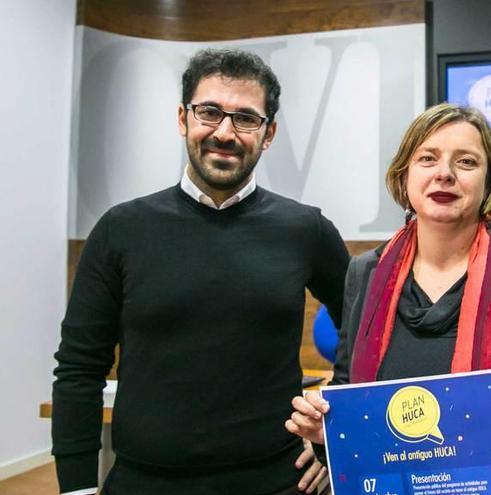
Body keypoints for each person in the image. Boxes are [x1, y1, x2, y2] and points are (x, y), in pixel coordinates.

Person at [51, 49, 350, 495]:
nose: (224, 133)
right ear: (182, 119)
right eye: (209, 112)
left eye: (246, 119)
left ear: (268, 134)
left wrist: (335, 445)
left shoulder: (306, 230)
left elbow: (368, 336)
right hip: (143, 484)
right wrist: (75, 488)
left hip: (278, 484)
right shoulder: (120, 230)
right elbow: (78, 368)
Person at [285, 103, 491, 493]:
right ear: (404, 175)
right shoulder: (364, 273)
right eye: (427, 158)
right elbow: (347, 390)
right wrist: (327, 428)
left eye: (466, 162)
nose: (444, 173)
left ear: (489, 182)